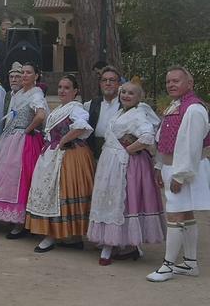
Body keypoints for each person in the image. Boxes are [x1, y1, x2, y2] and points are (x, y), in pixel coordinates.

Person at [87, 82, 164, 266]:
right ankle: (122, 243)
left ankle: (117, 245)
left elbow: (147, 136)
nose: (126, 95)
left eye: (131, 93)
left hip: (126, 163)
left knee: (125, 201)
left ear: (139, 97)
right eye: (124, 92)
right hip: (110, 161)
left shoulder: (138, 114)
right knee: (110, 199)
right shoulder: (121, 112)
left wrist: (128, 150)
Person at [146, 66, 210, 282]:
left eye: (176, 81)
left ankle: (168, 266)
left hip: (184, 169)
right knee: (186, 214)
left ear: (189, 84)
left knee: (174, 215)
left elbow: (191, 146)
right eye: (168, 82)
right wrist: (159, 166)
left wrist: (180, 175)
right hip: (172, 166)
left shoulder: (193, 109)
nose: (171, 85)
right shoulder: (177, 106)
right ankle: (190, 264)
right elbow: (163, 138)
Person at [26, 74, 96, 253]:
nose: (62, 91)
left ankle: (69, 236)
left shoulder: (76, 108)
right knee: (52, 193)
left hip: (69, 155)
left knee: (62, 193)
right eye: (60, 87)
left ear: (75, 91)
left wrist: (63, 140)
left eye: (66, 88)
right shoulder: (60, 109)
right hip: (53, 155)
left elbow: (81, 126)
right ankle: (57, 235)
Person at [0, 62, 46, 238]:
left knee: (19, 177)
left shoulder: (36, 94)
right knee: (7, 176)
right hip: (10, 139)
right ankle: (12, 219)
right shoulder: (18, 93)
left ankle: (20, 222)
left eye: (28, 73)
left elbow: (41, 115)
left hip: (23, 142)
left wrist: (27, 129)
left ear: (36, 76)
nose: (25, 75)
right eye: (23, 73)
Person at [84, 66, 122, 159]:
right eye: (104, 80)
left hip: (118, 157)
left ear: (119, 84)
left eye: (112, 80)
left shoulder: (126, 106)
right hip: (95, 156)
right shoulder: (90, 105)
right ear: (100, 83)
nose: (107, 83)